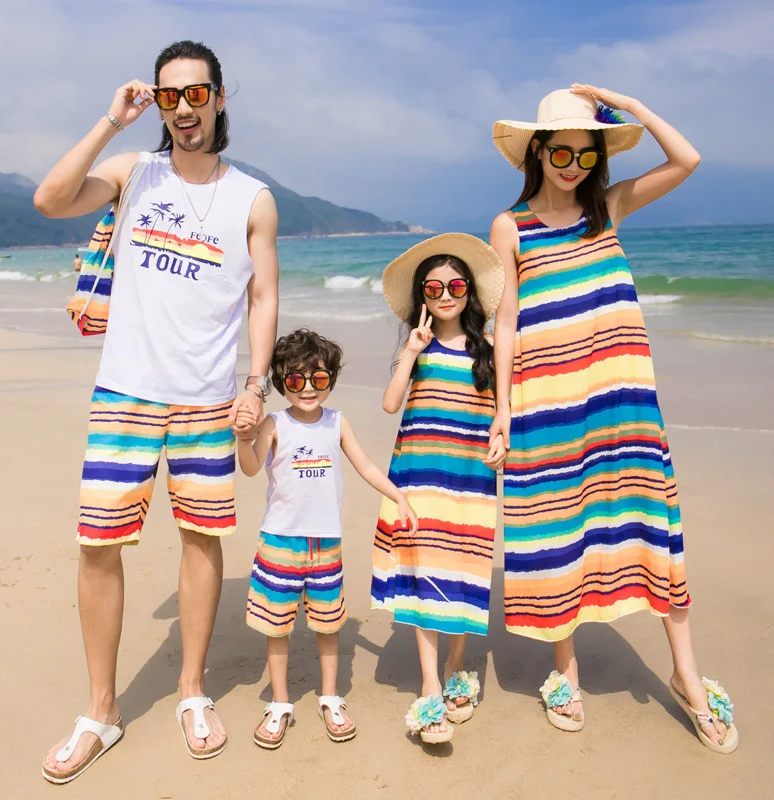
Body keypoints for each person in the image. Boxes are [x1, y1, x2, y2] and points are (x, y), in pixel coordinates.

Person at [34, 40, 279, 784]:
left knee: (202, 538)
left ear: (220, 97)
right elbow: (50, 199)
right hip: (126, 392)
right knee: (97, 545)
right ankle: (100, 711)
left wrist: (256, 384)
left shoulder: (252, 198)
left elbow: (263, 296)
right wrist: (112, 121)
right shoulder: (132, 172)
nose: (182, 109)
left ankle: (192, 691)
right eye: (169, 97)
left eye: (195, 94)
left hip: (208, 398)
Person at [489, 85, 737, 753]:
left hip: (622, 401)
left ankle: (686, 675)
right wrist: (502, 409)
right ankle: (564, 670)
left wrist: (625, 104)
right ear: (537, 152)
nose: (573, 165)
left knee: (652, 523)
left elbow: (686, 160)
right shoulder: (510, 227)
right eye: (560, 152)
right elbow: (506, 320)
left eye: (586, 153)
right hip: (546, 402)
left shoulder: (609, 208)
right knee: (557, 526)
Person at [234, 328, 417, 749]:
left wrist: (398, 496)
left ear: (331, 379)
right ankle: (279, 702)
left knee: (328, 622)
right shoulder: (274, 423)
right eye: (296, 379)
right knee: (276, 625)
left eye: (319, 378)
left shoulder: (337, 422)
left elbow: (366, 465)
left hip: (326, 544)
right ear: (281, 380)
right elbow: (251, 466)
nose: (308, 388)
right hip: (280, 541)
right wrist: (244, 439)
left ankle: (330, 697)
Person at [371, 234, 506, 744]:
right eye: (433, 288)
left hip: (470, 483)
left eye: (455, 286)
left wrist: (502, 439)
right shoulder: (418, 347)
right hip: (419, 475)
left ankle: (456, 662)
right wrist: (410, 350)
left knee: (464, 572)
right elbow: (390, 404)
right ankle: (431, 685)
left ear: (469, 292)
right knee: (425, 572)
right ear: (422, 297)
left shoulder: (488, 350)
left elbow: (502, 414)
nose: (445, 295)